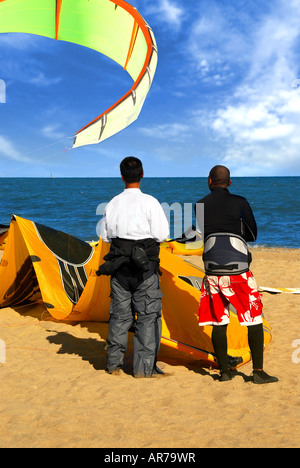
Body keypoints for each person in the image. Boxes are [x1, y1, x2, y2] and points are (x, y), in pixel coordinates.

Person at [195, 165, 278, 384]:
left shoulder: (200, 205)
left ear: (209, 181)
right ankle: (258, 372)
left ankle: (224, 371)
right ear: (229, 182)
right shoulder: (239, 201)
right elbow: (253, 234)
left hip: (212, 271)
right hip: (239, 271)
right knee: (254, 319)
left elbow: (204, 233)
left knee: (219, 321)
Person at [98, 156, 169, 378]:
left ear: (121, 176)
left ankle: (114, 366)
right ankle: (143, 370)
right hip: (145, 269)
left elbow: (105, 237)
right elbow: (162, 235)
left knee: (119, 317)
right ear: (143, 174)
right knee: (148, 317)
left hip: (120, 269)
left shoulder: (113, 203)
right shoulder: (150, 202)